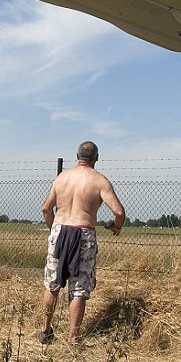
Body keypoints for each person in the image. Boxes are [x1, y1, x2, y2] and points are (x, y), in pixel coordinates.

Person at [39, 141, 125, 345]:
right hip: (84, 232)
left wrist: (54, 230)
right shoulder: (100, 181)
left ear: (77, 156)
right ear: (96, 158)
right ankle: (73, 338)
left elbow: (45, 208)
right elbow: (119, 212)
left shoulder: (62, 178)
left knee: (52, 284)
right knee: (78, 288)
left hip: (60, 229)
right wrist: (116, 226)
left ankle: (45, 331)